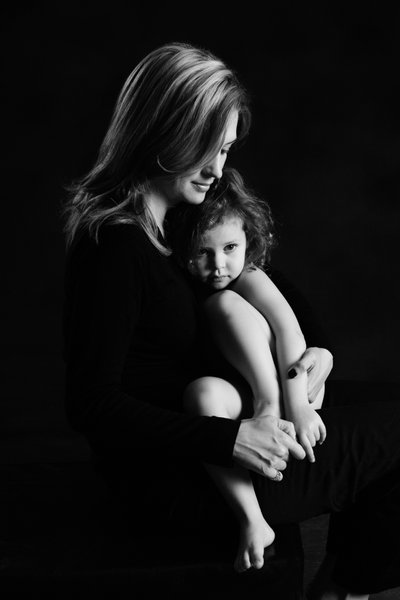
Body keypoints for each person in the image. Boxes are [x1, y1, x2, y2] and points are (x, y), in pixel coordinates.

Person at [62, 41, 400, 600]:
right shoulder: (115, 246)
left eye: (226, 151)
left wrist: (317, 350)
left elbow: (269, 281)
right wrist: (228, 439)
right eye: (210, 150)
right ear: (168, 132)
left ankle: (343, 582)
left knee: (369, 405)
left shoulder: (183, 214)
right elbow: (91, 404)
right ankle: (342, 590)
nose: (219, 170)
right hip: (184, 476)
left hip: (229, 420)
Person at [168, 166, 327, 573]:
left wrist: (296, 406)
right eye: (203, 252)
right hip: (242, 398)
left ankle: (268, 407)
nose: (219, 264)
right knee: (200, 394)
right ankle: (253, 520)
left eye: (230, 248)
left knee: (221, 304)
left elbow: (289, 329)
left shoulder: (250, 276)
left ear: (247, 243)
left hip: (289, 386)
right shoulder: (184, 288)